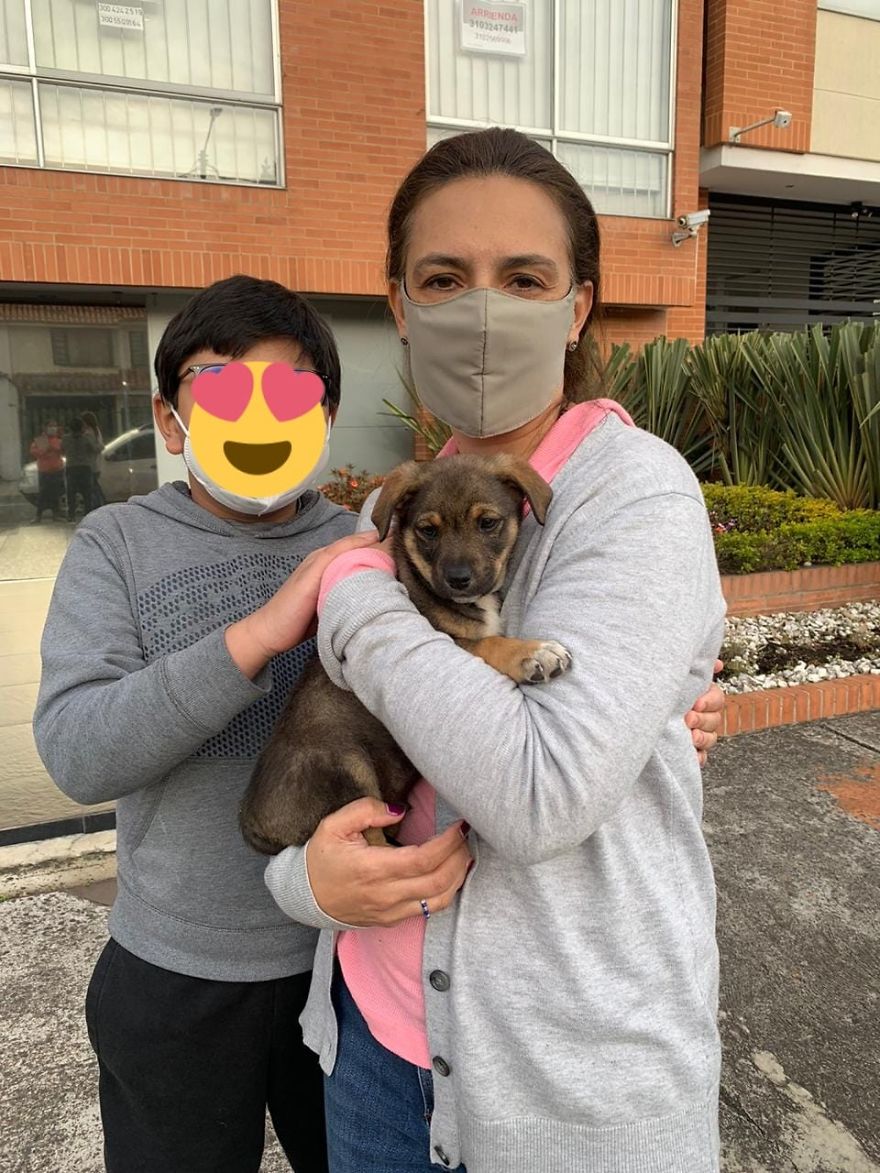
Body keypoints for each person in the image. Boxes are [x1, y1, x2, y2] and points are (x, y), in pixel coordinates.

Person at [35, 273, 722, 1173]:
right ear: (170, 420)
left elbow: (474, 683)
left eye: (288, 394)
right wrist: (258, 635)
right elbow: (78, 753)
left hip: (349, 976)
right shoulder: (116, 543)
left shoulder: (380, 531)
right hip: (182, 970)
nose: (255, 419)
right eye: (217, 391)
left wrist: (663, 713)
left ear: (323, 418)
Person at [265, 128, 727, 1173]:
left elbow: (536, 798)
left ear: (575, 308)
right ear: (399, 308)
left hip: (573, 1094)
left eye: (523, 278)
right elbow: (319, 748)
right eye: (443, 279)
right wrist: (307, 889)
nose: (482, 312)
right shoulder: (410, 498)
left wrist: (353, 592)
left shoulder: (634, 493)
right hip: (374, 1053)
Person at [62, 416, 100, 521]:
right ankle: (88, 514)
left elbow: (62, 449)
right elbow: (95, 449)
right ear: (82, 427)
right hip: (85, 468)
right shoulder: (86, 438)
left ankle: (71, 515)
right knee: (87, 493)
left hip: (71, 468)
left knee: (71, 493)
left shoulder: (65, 439)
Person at [29, 419, 65, 522]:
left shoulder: (59, 440)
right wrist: (45, 450)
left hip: (57, 469)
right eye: (50, 426)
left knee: (56, 493)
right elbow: (34, 451)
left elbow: (63, 451)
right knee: (42, 494)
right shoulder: (41, 439)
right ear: (45, 428)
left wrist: (55, 449)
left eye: (55, 426)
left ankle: (56, 514)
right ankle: (38, 515)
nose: (53, 428)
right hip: (44, 471)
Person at [81, 410, 106, 507]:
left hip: (91, 463)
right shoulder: (96, 431)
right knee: (95, 485)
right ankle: (100, 502)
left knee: (93, 487)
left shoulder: (88, 433)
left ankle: (99, 504)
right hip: (96, 463)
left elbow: (94, 447)